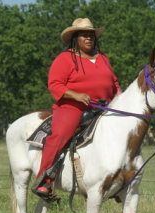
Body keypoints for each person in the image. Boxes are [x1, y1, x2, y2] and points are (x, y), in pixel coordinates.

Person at [34, 18, 121, 199]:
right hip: (72, 107)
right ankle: (44, 180)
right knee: (60, 135)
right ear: (75, 38)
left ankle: (118, 182)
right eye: (84, 35)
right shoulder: (64, 58)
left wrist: (120, 98)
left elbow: (114, 82)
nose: (89, 38)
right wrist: (76, 95)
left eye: (91, 35)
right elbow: (55, 84)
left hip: (104, 106)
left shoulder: (103, 57)